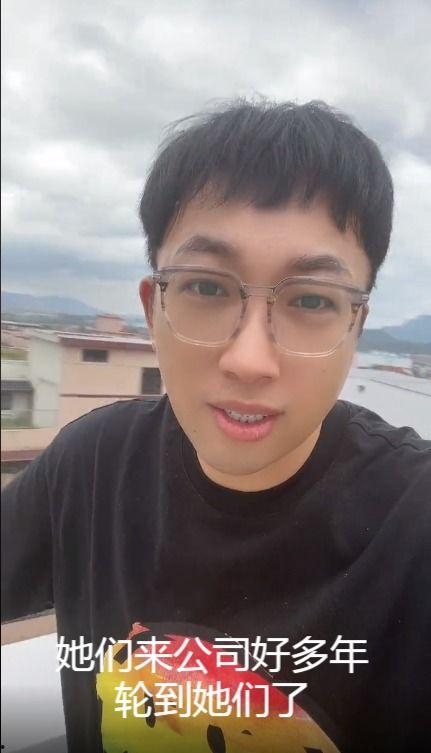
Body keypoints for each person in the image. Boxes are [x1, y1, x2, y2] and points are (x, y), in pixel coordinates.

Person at [2, 99, 430, 753]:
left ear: (356, 327)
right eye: (206, 288)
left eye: (311, 299)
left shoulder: (413, 524)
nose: (248, 360)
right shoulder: (90, 466)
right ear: (153, 310)